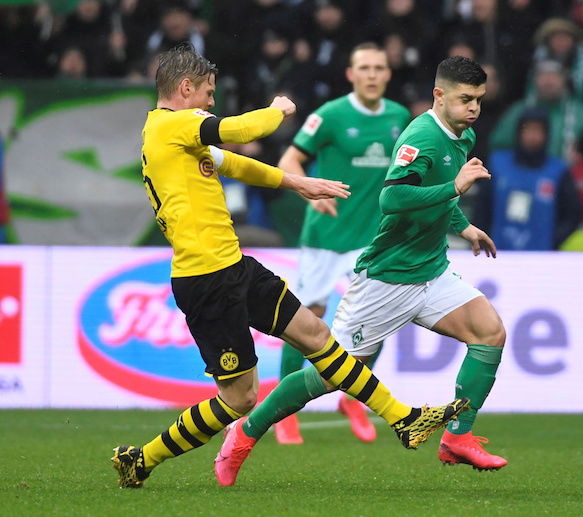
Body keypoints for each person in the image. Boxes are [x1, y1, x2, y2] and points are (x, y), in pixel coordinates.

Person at [111, 43, 468, 489]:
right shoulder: (174, 125)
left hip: (234, 267)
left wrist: (297, 182)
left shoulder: (174, 135)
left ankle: (403, 418)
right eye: (207, 92)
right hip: (205, 280)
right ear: (185, 88)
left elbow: (234, 163)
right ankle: (142, 459)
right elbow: (239, 131)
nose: (211, 102)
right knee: (239, 398)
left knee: (316, 336)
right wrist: (277, 108)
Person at [216, 57, 509, 484]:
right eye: (466, 99)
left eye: (479, 100)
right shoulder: (421, 136)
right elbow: (392, 199)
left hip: (431, 271)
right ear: (438, 95)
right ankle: (245, 432)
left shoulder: (462, 136)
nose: (474, 109)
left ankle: (457, 438)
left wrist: (463, 225)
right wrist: (456, 188)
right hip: (387, 279)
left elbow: (437, 200)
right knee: (324, 377)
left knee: (490, 332)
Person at [273, 42, 411, 445]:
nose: (371, 74)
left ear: (388, 74)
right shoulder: (329, 115)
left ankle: (354, 397)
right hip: (325, 235)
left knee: (379, 316)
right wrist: (314, 192)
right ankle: (284, 410)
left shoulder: (400, 117)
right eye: (364, 67)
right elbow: (289, 161)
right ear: (351, 74)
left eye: (378, 68)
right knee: (307, 319)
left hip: (372, 237)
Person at [487, 108, 582, 250]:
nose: (532, 136)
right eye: (528, 130)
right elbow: (483, 209)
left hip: (540, 258)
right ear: (519, 133)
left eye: (538, 131)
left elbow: (573, 214)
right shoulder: (497, 165)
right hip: (498, 252)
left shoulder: (558, 172)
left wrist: (553, 240)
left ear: (546, 135)